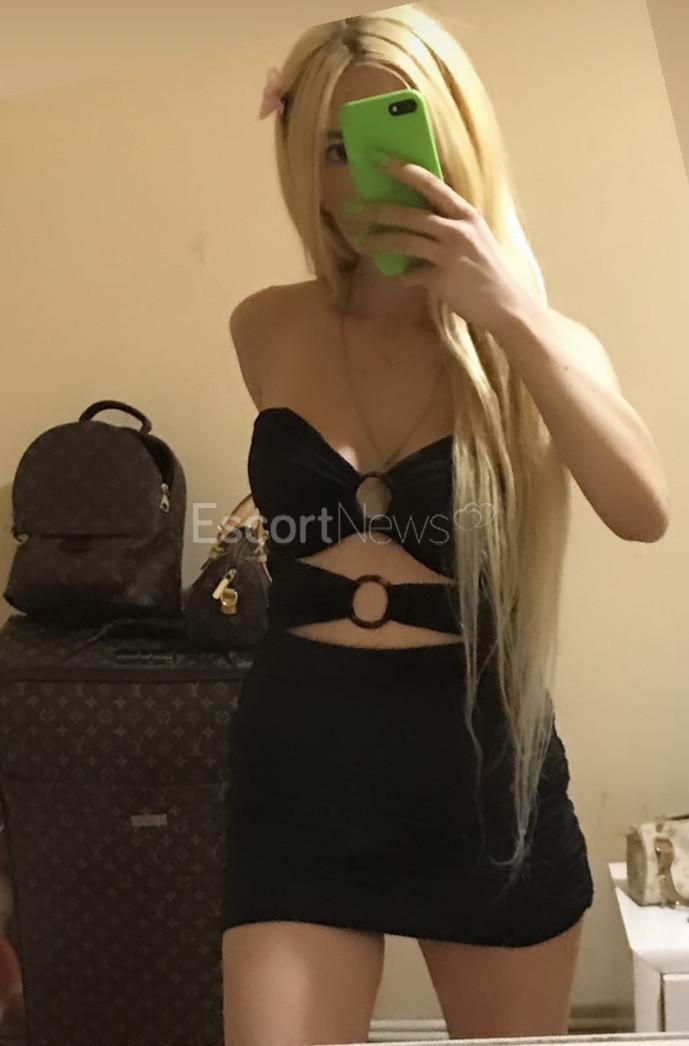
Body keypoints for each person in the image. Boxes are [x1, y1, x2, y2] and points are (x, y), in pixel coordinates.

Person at [221, 6, 668, 1045]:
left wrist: (510, 311)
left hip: (478, 769)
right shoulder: (265, 324)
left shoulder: (534, 344)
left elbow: (641, 510)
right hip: (301, 763)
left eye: (386, 136)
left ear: (452, 139)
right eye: (332, 147)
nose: (357, 180)